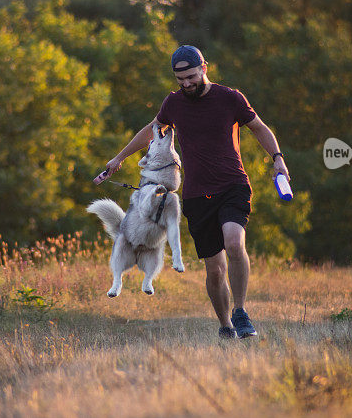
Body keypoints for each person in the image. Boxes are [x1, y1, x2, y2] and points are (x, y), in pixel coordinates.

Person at [102, 44, 290, 339]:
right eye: (181, 80)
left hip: (233, 185)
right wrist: (119, 157)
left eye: (191, 77)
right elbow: (151, 130)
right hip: (195, 195)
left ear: (204, 68)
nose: (186, 84)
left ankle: (240, 312)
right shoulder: (174, 103)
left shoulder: (230, 98)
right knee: (214, 270)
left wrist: (277, 159)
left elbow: (260, 128)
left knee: (234, 242)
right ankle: (226, 325)